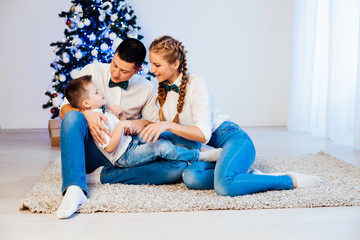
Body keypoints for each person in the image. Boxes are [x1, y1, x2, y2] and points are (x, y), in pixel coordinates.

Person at [140, 35, 323, 197]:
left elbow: (204, 134)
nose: (152, 69)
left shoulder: (197, 84)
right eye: (151, 63)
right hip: (210, 151)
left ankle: (288, 180)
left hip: (232, 139)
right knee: (191, 177)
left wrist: (168, 126)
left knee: (224, 187)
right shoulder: (162, 90)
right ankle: (248, 178)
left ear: (175, 64)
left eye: (157, 65)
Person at [56, 38, 197, 219]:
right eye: (114, 65)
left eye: (123, 71)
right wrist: (85, 113)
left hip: (124, 152)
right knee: (72, 116)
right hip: (93, 148)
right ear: (113, 56)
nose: (115, 74)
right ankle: (75, 188)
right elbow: (64, 110)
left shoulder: (146, 88)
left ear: (137, 70)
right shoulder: (92, 72)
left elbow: (152, 123)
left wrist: (139, 123)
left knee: (175, 169)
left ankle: (101, 177)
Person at [63, 75, 221, 168]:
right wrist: (120, 124)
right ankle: (199, 157)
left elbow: (126, 129)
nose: (101, 93)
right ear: (86, 104)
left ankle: (194, 148)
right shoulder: (96, 123)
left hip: (131, 141)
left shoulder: (105, 112)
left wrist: (122, 117)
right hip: (124, 156)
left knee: (159, 133)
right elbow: (110, 147)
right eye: (96, 93)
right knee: (160, 147)